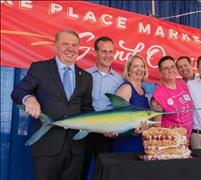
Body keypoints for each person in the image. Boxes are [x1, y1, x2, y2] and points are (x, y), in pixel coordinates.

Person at [11, 29, 94, 180]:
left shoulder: (87, 77)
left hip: (76, 148)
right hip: (47, 146)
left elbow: (87, 108)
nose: (70, 48)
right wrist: (29, 98)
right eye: (65, 44)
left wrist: (105, 124)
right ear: (55, 45)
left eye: (74, 45)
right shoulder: (40, 68)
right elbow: (18, 92)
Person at [82, 36, 124, 178]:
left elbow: (120, 107)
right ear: (95, 53)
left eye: (111, 52)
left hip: (106, 133)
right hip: (85, 130)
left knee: (104, 172)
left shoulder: (119, 79)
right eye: (104, 51)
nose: (108, 55)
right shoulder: (84, 75)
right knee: (80, 170)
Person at [112, 55, 149, 153]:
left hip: (141, 143)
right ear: (128, 70)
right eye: (136, 66)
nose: (139, 69)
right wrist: (133, 130)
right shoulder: (126, 88)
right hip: (126, 144)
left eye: (142, 66)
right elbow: (116, 119)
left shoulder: (143, 91)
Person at [151, 56, 193, 139]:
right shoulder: (158, 96)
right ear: (160, 72)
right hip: (172, 144)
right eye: (166, 68)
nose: (170, 70)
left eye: (172, 66)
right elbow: (157, 126)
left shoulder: (182, 84)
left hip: (187, 140)